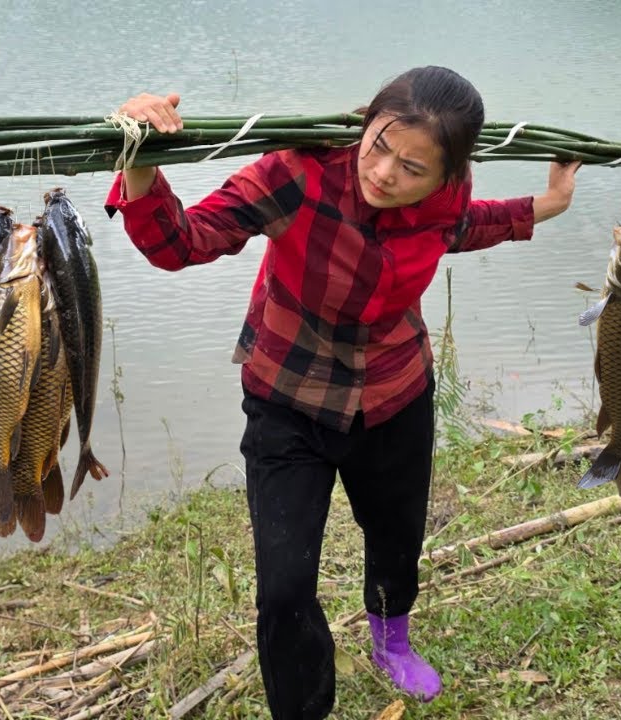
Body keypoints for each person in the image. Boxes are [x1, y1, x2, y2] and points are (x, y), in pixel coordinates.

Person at [104, 66, 579, 719]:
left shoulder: (443, 200)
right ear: (365, 123)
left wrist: (548, 205)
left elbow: (465, 226)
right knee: (284, 586)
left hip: (394, 392)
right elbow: (178, 243)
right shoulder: (296, 172)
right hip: (288, 396)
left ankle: (391, 636)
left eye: (413, 168)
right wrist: (140, 161)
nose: (384, 173)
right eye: (378, 145)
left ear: (446, 175)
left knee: (395, 534)